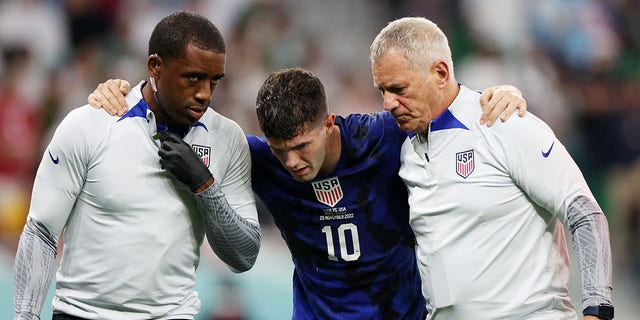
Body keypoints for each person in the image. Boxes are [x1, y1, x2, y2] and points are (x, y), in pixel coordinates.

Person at [87, 66, 526, 318]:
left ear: (329, 123)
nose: (292, 162)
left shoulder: (383, 138)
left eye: (302, 146)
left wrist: (498, 94)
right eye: (281, 151)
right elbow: (172, 111)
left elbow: (443, 104)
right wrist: (121, 94)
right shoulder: (258, 159)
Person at [13, 11, 261, 320]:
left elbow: (244, 256)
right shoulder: (90, 124)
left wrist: (204, 185)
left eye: (214, 81)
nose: (204, 94)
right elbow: (41, 232)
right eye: (193, 78)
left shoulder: (228, 138)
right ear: (155, 67)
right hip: (82, 314)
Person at [369, 17, 614, 320]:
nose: (387, 103)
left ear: (440, 72)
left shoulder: (503, 121)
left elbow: (584, 213)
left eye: (398, 88)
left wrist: (597, 309)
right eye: (382, 90)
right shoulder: (403, 148)